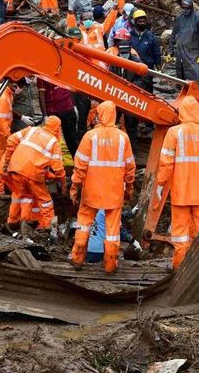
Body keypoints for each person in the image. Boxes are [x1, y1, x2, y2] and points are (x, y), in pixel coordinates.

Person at [156, 96, 199, 270]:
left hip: (180, 193)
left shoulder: (174, 133)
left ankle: (179, 268)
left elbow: (166, 163)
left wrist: (161, 184)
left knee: (179, 235)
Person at [70, 101, 136, 274]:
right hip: (114, 192)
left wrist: (75, 188)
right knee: (113, 231)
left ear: (99, 114)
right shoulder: (123, 138)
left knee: (84, 224)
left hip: (91, 191)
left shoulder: (90, 136)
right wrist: (129, 189)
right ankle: (110, 265)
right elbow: (130, 168)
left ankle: (77, 259)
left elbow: (80, 166)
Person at [2, 116, 66, 233]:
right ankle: (48, 228)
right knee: (45, 201)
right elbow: (58, 167)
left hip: (15, 169)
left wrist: (8, 161)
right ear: (57, 129)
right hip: (32, 174)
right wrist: (62, 183)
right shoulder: (53, 141)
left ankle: (14, 223)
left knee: (22, 196)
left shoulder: (31, 130)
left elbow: (11, 139)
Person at [171, 0, 199, 83]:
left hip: (193, 54)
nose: (185, 10)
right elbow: (174, 34)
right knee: (181, 78)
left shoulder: (198, 18)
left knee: (195, 78)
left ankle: (196, 96)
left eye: (187, 8)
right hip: (180, 52)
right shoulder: (180, 18)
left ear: (191, 7)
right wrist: (171, 49)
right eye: (183, 8)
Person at [41, 78, 79, 158]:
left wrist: (73, 105)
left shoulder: (64, 69)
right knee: (51, 140)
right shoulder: (43, 74)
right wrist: (45, 116)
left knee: (72, 139)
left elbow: (69, 88)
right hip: (53, 111)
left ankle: (78, 163)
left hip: (68, 109)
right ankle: (51, 164)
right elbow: (41, 94)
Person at [130, 9, 161, 93]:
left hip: (147, 70)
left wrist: (159, 70)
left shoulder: (151, 37)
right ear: (135, 22)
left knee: (147, 93)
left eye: (144, 21)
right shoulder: (130, 36)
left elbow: (156, 54)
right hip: (133, 70)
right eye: (140, 22)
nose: (142, 23)